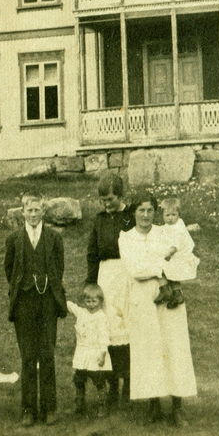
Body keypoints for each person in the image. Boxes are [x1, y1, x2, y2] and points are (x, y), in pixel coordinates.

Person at [118, 195, 197, 426]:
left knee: (175, 348)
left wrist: (157, 264)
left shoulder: (165, 232)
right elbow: (135, 269)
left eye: (150, 210)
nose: (145, 215)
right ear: (133, 212)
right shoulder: (126, 238)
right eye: (141, 210)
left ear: (156, 212)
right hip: (143, 299)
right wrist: (161, 265)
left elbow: (184, 255)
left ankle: (177, 407)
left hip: (168, 299)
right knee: (148, 351)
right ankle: (153, 405)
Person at [4, 193, 67, 427]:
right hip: (24, 304)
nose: (33, 214)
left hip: (48, 302)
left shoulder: (53, 238)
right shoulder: (14, 239)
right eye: (29, 210)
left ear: (44, 212)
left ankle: (49, 408)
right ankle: (28, 409)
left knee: (47, 354)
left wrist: (50, 287)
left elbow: (59, 268)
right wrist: (21, 288)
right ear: (22, 212)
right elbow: (9, 269)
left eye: (37, 210)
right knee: (28, 357)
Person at [85, 171, 135, 408]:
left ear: (120, 195)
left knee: (128, 330)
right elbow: (92, 253)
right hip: (106, 277)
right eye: (103, 201)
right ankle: (113, 385)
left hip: (127, 276)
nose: (107, 204)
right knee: (110, 331)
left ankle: (130, 385)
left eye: (111, 200)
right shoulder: (99, 220)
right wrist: (91, 282)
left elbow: (135, 240)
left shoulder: (128, 217)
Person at [67, 283, 113, 418]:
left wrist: (102, 353)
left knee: (98, 379)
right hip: (82, 352)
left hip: (96, 352)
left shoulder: (101, 317)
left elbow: (104, 337)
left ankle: (102, 405)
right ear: (83, 301)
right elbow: (70, 306)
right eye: (88, 301)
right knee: (79, 378)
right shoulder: (81, 313)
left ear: (100, 301)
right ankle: (79, 403)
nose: (91, 304)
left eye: (94, 301)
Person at [152, 196, 200, 309]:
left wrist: (168, 253)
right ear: (162, 215)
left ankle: (165, 290)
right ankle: (177, 294)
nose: (170, 218)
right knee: (172, 275)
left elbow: (176, 244)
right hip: (175, 255)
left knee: (161, 267)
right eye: (167, 215)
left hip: (176, 254)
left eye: (174, 215)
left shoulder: (178, 227)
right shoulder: (169, 226)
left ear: (179, 214)